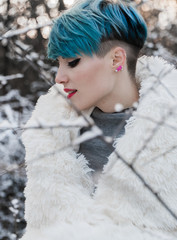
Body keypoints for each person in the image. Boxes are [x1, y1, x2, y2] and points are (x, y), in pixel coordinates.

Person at [20, 0, 177, 239]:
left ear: (116, 60)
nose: (59, 78)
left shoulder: (170, 129)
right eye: (58, 64)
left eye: (72, 62)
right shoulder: (49, 135)